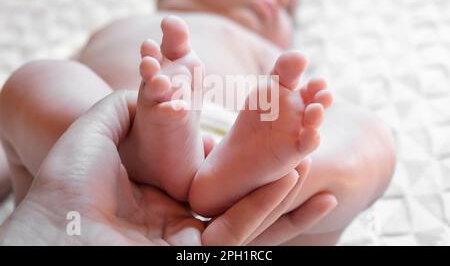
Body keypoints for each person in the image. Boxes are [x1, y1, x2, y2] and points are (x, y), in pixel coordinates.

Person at [0, 0, 395, 245]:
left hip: (243, 161)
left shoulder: (266, 52)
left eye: (289, 7)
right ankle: (141, 154)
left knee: (369, 134)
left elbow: (301, 110)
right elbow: (19, 131)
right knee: (39, 78)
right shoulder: (119, 27)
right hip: (103, 156)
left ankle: (260, 182)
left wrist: (296, 130)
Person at [0, 91, 337, 245]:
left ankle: (246, 180)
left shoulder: (266, 59)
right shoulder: (124, 25)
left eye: (288, 3)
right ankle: (258, 184)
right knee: (363, 146)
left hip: (239, 138)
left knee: (33, 83)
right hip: (129, 142)